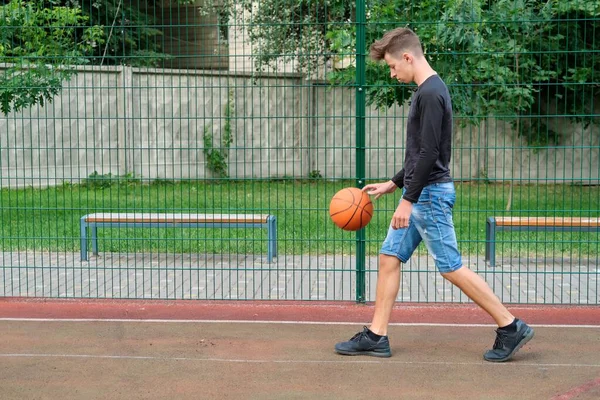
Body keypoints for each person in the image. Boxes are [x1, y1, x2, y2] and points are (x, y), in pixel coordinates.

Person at [334, 27, 534, 362]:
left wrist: (408, 200)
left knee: (451, 267)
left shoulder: (429, 93)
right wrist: (393, 184)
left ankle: (510, 326)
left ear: (408, 57)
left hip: (429, 196)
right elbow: (423, 154)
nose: (393, 73)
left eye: (393, 67)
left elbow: (429, 156)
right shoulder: (430, 89)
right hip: (420, 191)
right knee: (388, 258)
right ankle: (376, 335)